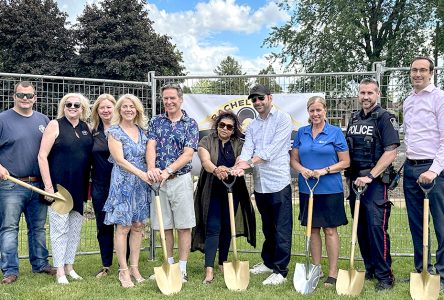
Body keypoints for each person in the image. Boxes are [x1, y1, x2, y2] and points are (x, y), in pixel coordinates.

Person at [231, 84, 293, 286]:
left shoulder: (283, 119)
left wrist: (247, 164)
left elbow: (271, 151)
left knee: (281, 229)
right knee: (268, 227)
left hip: (279, 183)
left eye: (260, 98)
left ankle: (281, 271)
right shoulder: (254, 125)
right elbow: (248, 147)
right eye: (254, 100)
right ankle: (268, 262)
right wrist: (239, 165)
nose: (257, 103)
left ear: (269, 98)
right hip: (260, 185)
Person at [345, 78, 400, 291]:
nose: (365, 97)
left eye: (370, 93)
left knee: (377, 228)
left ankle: (385, 275)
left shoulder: (385, 118)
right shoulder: (355, 118)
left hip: (375, 183)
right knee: (361, 227)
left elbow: (391, 151)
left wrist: (371, 175)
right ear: (358, 94)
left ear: (377, 94)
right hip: (355, 181)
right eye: (362, 93)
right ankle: (371, 268)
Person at [0, 81, 56, 284]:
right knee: (9, 228)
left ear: (35, 98)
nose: (25, 99)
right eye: (21, 95)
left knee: (38, 228)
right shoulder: (2, 119)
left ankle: (40, 264)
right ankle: (10, 270)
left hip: (38, 185)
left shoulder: (43, 120)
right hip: (11, 184)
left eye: (29, 95)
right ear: (14, 96)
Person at [290, 96, 350, 287]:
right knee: (312, 229)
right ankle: (316, 268)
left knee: (330, 230)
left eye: (318, 110)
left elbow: (345, 162)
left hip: (330, 189)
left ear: (325, 111)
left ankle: (332, 273)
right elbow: (294, 160)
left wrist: (324, 170)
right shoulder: (302, 132)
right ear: (308, 112)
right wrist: (303, 170)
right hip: (308, 189)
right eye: (312, 110)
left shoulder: (335, 133)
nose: (315, 114)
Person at [191, 110, 256, 284]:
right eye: (222, 125)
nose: (225, 129)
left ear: (234, 129)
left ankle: (222, 262)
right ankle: (209, 269)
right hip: (211, 188)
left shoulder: (238, 144)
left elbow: (241, 161)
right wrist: (216, 169)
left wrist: (230, 169)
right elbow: (205, 161)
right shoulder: (207, 140)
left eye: (229, 127)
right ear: (217, 125)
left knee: (229, 226)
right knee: (213, 227)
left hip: (233, 188)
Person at [38, 93, 93, 284]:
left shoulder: (87, 127)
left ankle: (69, 266)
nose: (72, 107)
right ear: (63, 106)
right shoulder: (55, 125)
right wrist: (48, 187)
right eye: (68, 104)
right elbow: (42, 156)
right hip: (60, 188)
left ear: (82, 108)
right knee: (59, 229)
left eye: (76, 105)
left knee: (75, 229)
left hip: (80, 186)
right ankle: (59, 269)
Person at [146, 84, 199, 282]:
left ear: (180, 99)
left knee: (184, 225)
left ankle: (182, 269)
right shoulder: (156, 121)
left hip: (180, 179)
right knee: (164, 225)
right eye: (165, 98)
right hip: (158, 181)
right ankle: (168, 265)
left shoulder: (190, 123)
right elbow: (150, 145)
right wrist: (152, 169)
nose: (168, 102)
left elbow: (188, 154)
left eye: (172, 98)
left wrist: (168, 171)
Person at [403, 57, 444, 291]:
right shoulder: (409, 101)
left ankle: (443, 274)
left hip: (434, 170)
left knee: (441, 224)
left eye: (422, 70)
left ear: (431, 73)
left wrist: (433, 170)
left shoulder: (439, 98)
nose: (417, 74)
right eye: (414, 70)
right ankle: (422, 270)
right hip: (411, 167)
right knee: (417, 224)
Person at [102, 94, 150, 288]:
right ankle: (123, 270)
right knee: (123, 227)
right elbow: (120, 160)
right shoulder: (114, 132)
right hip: (123, 183)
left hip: (141, 184)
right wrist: (141, 173)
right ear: (119, 110)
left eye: (132, 106)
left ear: (137, 109)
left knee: (138, 225)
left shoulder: (143, 131)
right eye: (124, 107)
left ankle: (134, 267)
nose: (128, 109)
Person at [90, 94, 118, 278]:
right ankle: (106, 264)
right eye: (102, 108)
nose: (106, 110)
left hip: (122, 185)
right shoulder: (92, 132)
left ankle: (128, 263)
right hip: (100, 185)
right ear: (97, 111)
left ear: (115, 108)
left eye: (109, 107)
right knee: (104, 225)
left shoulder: (123, 129)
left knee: (125, 225)